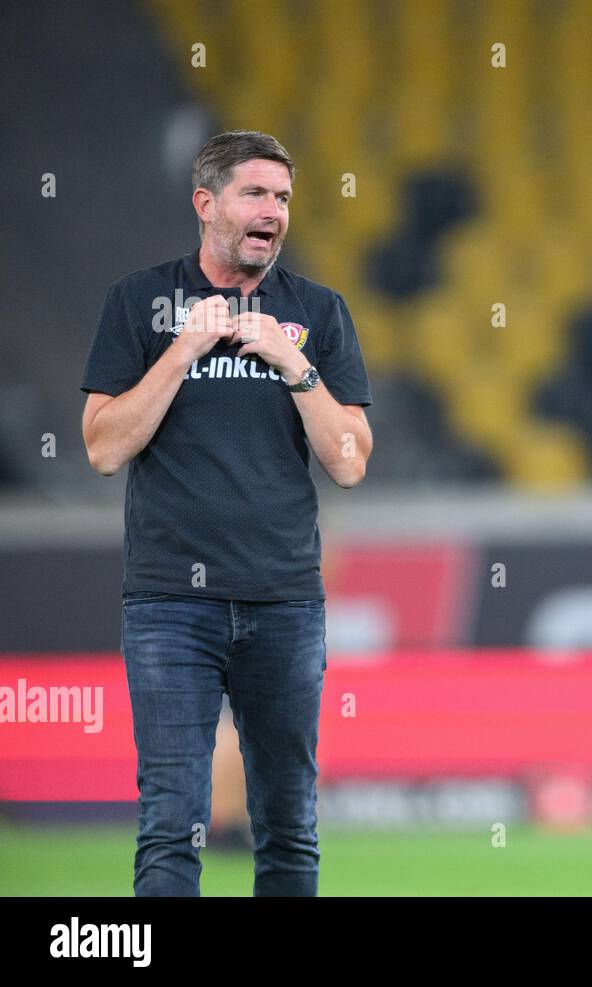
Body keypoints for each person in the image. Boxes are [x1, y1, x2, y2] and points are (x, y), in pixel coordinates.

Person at [80, 130, 373, 896]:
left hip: (283, 602)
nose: (272, 211)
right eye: (255, 194)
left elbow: (349, 460)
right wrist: (182, 350)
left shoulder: (317, 312)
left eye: (281, 197)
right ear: (206, 203)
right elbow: (105, 449)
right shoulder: (138, 302)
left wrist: (297, 365)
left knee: (289, 830)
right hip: (170, 605)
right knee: (171, 828)